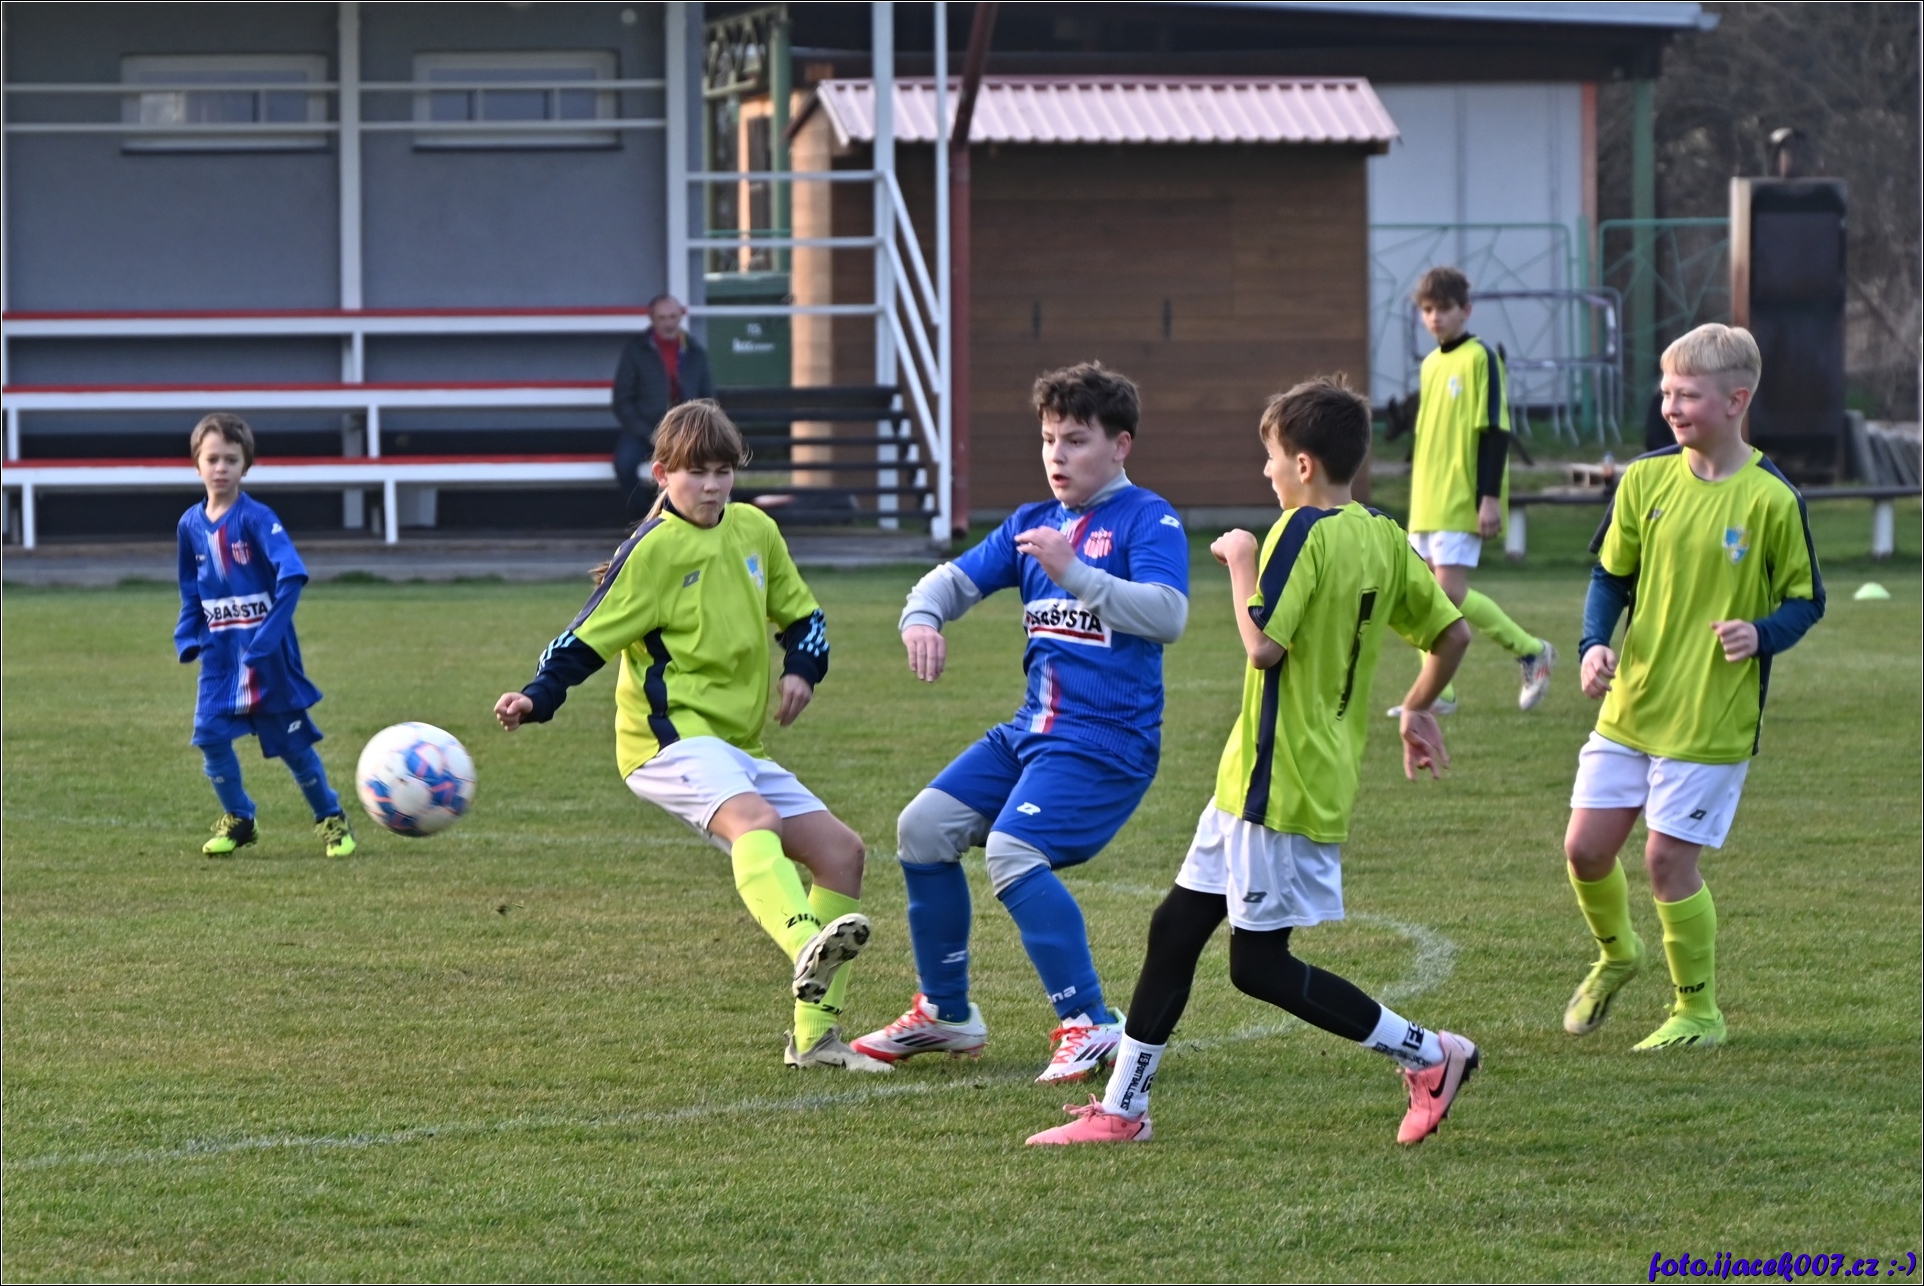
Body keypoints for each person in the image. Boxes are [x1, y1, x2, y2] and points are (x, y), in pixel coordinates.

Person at [1026, 377, 1481, 1148]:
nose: (1265, 472)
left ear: (1303, 465)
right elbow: (1452, 634)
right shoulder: (1381, 532)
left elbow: (1264, 645)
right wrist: (1417, 707)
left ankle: (1430, 1054)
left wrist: (1241, 558)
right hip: (1260, 778)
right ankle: (1124, 1109)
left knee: (1258, 967)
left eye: (1270, 457)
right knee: (1175, 929)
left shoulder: (1299, 532)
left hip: (1281, 781)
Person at [494, 399, 887, 1072]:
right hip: (666, 740)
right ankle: (804, 940)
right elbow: (584, 638)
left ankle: (815, 1040)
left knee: (842, 854)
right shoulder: (652, 551)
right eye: (696, 472)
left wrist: (802, 670)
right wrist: (536, 695)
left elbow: (804, 617)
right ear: (662, 474)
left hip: (737, 745)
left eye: (723, 472)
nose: (711, 486)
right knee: (755, 821)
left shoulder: (755, 530)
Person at [851, 363, 1190, 1084]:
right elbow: (950, 580)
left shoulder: (1148, 517)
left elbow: (1168, 615)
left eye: (1076, 440)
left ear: (1120, 445)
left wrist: (1076, 574)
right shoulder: (1033, 523)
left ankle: (1091, 1022)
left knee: (1012, 851)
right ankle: (946, 1013)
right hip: (1031, 734)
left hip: (1107, 744)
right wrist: (921, 618)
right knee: (922, 828)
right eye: (1048, 440)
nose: (1057, 456)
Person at [1561, 324, 1823, 1052]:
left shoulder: (1772, 499)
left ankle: (1698, 1012)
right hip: (1634, 703)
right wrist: (1593, 644)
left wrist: (1761, 633)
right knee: (1585, 849)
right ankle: (1619, 954)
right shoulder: (1646, 479)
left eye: (1688, 395)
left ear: (1736, 400)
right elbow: (1610, 576)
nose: (1670, 406)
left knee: (1666, 861)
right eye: (1666, 392)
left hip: (1712, 714)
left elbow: (1806, 600)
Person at [174, 413, 356, 859]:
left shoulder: (257, 518)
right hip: (219, 658)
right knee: (210, 737)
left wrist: (269, 637)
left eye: (231, 459)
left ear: (246, 466)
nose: (221, 468)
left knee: (295, 749)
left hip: (269, 661)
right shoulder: (189, 525)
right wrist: (187, 635)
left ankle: (331, 818)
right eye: (212, 459)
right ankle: (240, 819)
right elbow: (190, 588)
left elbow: (292, 575)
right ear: (196, 464)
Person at [1393, 265, 1556, 717]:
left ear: (1465, 310)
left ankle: (1531, 651)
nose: (1435, 317)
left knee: (1449, 594)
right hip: (1427, 500)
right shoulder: (1430, 365)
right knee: (1420, 598)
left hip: (1463, 497)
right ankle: (1439, 695)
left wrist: (1488, 498)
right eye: (1427, 309)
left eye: (1444, 308)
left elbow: (1495, 431)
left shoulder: (1481, 357)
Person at [613, 295, 718, 521]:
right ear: (652, 319)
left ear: (681, 316)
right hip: (643, 430)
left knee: (709, 462)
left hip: (684, 430)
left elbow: (708, 399)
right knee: (624, 464)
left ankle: (689, 517)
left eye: (672, 317)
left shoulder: (695, 352)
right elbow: (622, 401)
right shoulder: (636, 351)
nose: (668, 323)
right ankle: (641, 519)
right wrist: (649, 433)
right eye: (662, 318)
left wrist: (692, 429)